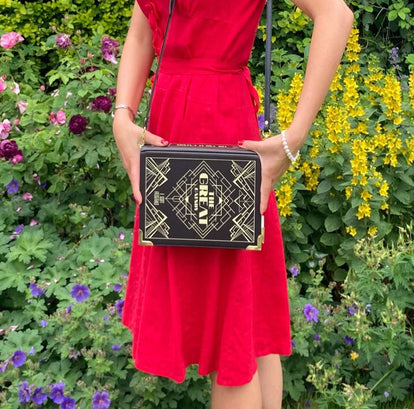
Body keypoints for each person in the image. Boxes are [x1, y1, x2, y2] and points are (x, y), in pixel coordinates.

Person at [112, 0, 353, 408]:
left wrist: (292, 139)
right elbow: (142, 31)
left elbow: (336, 14)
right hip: (173, 133)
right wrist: (121, 114)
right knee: (248, 317)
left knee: (235, 329)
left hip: (218, 131)